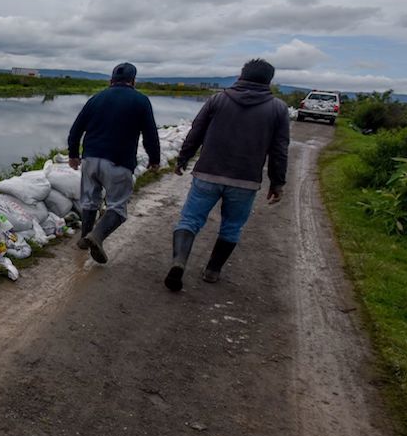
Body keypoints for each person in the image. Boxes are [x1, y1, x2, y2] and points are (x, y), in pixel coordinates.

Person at [164, 58, 289, 291]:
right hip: (246, 180)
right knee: (231, 227)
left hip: (207, 174)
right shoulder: (278, 109)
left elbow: (196, 131)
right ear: (269, 81)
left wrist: (183, 158)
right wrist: (277, 182)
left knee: (189, 220)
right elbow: (279, 150)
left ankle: (179, 262)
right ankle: (212, 271)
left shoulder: (218, 100)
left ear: (241, 75)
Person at [67, 62, 161, 264]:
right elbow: (150, 135)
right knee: (117, 207)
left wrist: (73, 154)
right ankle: (96, 236)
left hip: (91, 159)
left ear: (111, 80)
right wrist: (154, 160)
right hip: (119, 162)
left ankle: (85, 237)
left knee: (89, 201)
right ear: (133, 81)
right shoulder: (141, 101)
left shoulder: (96, 98)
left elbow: (76, 129)